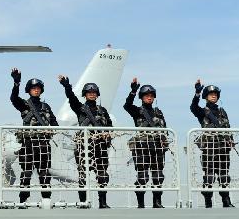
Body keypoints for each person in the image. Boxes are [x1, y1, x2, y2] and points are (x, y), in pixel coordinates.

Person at [60, 75, 112, 208]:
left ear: (97, 95)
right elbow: (71, 99)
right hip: (84, 146)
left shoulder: (103, 111)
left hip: (100, 146)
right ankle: (83, 203)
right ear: (85, 95)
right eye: (89, 92)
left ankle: (103, 202)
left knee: (102, 175)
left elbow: (110, 127)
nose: (92, 94)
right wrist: (67, 86)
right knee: (83, 175)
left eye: (94, 92)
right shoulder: (80, 109)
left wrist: (108, 136)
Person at [10, 68, 58, 203]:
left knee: (44, 173)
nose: (36, 90)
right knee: (26, 173)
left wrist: (52, 129)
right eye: (33, 88)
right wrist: (16, 83)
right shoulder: (24, 105)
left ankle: (46, 200)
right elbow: (13, 99)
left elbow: (54, 122)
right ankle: (23, 200)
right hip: (28, 143)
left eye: (38, 88)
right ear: (29, 90)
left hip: (43, 144)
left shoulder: (46, 106)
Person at [123, 78, 168, 208]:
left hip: (157, 147)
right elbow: (127, 106)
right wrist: (133, 91)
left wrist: (164, 141)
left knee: (158, 175)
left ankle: (157, 203)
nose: (149, 97)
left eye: (151, 96)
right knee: (142, 176)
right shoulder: (137, 111)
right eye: (146, 96)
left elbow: (164, 129)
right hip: (142, 147)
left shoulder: (158, 112)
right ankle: (141, 204)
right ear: (142, 97)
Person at [190, 80, 234, 208]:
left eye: (215, 94)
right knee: (209, 176)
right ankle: (208, 202)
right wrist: (197, 93)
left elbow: (227, 128)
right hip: (209, 148)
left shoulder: (222, 112)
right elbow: (193, 107)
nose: (213, 95)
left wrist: (230, 139)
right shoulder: (202, 111)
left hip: (223, 148)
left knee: (224, 175)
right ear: (206, 97)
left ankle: (226, 201)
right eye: (210, 94)